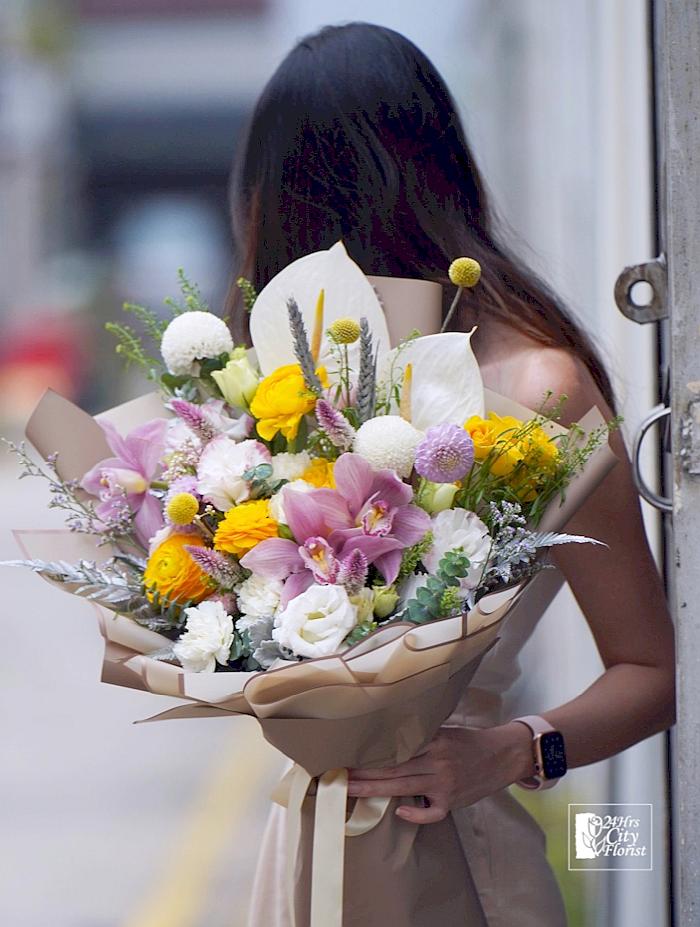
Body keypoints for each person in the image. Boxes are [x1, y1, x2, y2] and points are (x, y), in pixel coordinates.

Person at [226, 22, 676, 926]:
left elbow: (655, 668)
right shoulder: (281, 388)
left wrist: (515, 750)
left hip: (458, 853)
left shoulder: (535, 388)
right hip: (309, 849)